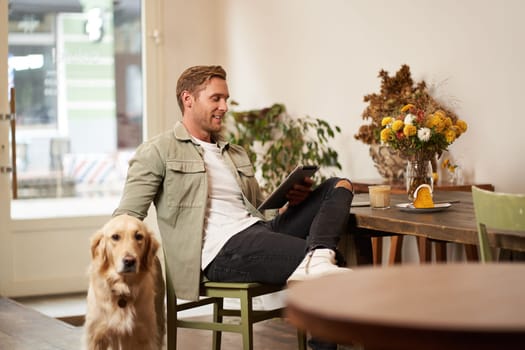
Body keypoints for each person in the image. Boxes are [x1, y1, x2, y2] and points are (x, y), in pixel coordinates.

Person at [114, 65, 354, 350]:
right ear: (188, 99)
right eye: (216, 98)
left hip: (256, 231)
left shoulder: (234, 152)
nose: (224, 107)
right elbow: (125, 218)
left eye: (225, 99)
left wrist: (290, 204)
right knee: (330, 268)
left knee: (338, 185)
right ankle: (320, 260)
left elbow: (258, 212)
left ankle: (319, 255)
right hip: (219, 251)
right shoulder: (158, 150)